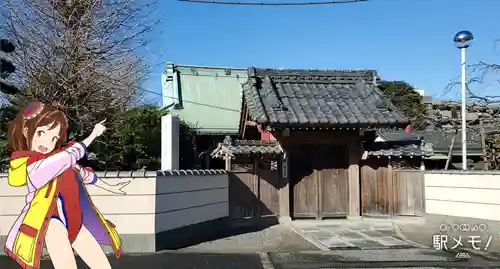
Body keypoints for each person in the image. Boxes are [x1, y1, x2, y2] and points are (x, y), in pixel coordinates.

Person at [4, 101, 129, 269]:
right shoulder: (32, 166)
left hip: (74, 219)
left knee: (102, 266)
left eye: (54, 137)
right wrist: (92, 136)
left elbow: (84, 174)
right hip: (50, 221)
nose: (47, 142)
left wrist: (111, 187)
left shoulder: (60, 159)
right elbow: (67, 157)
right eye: (41, 132)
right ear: (26, 131)